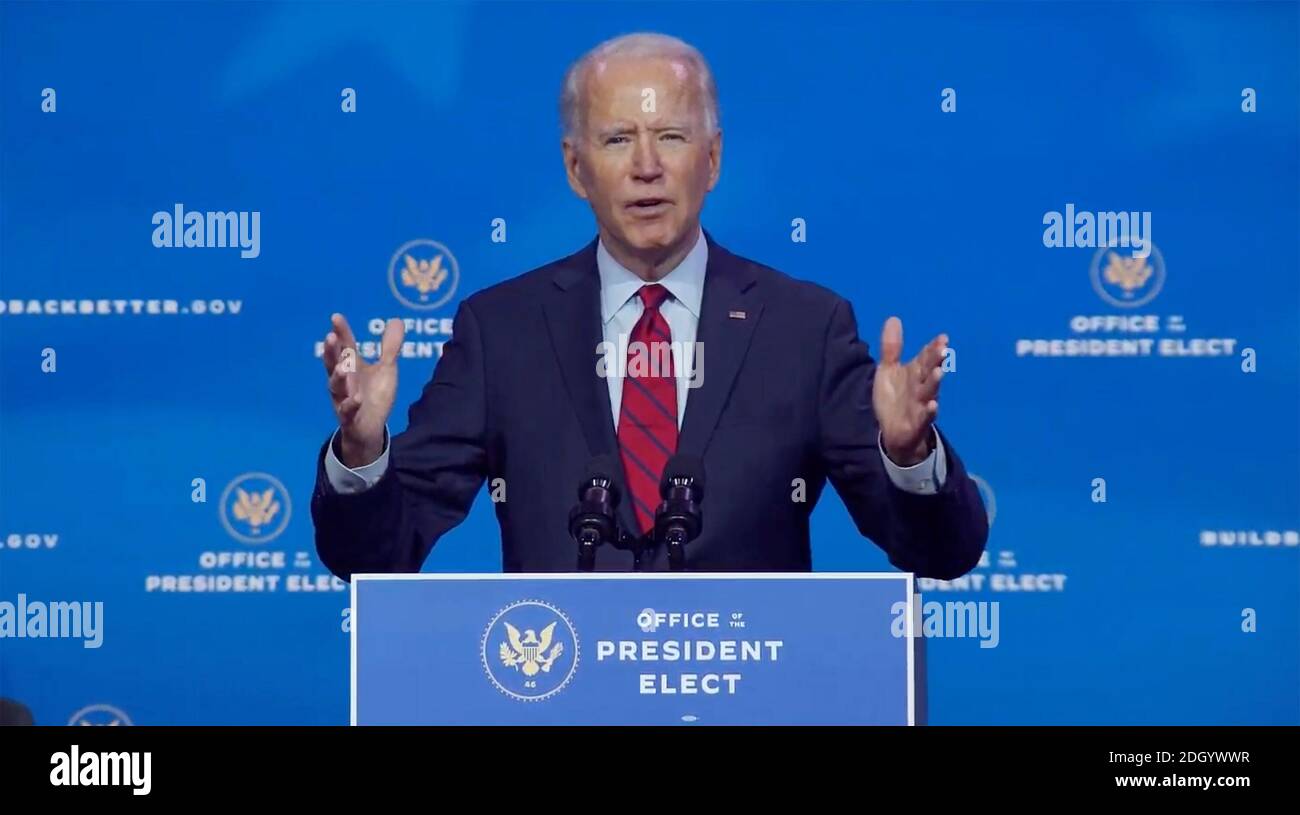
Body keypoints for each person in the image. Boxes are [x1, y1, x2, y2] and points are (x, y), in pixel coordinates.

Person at [311, 32, 987, 576]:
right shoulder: (501, 331)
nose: (646, 166)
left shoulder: (803, 328)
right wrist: (363, 451)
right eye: (616, 139)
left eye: (671, 136)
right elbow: (377, 558)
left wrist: (908, 454)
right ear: (576, 169)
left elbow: (941, 553)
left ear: (714, 159)